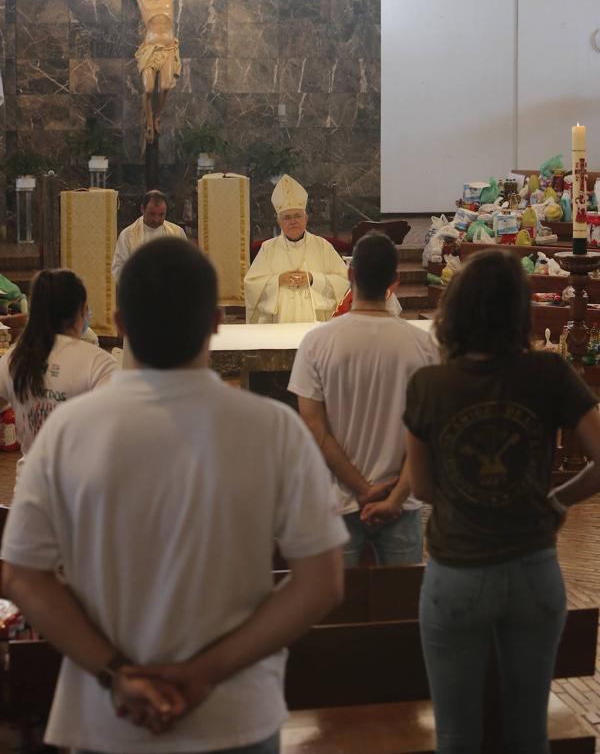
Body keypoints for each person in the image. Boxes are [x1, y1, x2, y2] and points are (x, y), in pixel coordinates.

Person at [2, 238, 347, 753]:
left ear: (117, 323)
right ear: (214, 322)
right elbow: (321, 583)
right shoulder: (273, 428)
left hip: (110, 718)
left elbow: (22, 577)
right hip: (234, 714)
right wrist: (206, 673)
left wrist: (118, 672)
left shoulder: (68, 430)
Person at [403, 247, 600, 753]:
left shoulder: (429, 384)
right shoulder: (548, 374)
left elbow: (422, 489)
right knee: (527, 734)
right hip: (532, 568)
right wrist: (557, 501)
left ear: (456, 310)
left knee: (457, 735)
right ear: (521, 311)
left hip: (457, 570)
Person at [289, 232, 437, 566]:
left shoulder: (316, 342)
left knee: (341, 609)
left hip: (338, 500)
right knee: (399, 608)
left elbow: (314, 427)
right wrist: (393, 497)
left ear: (350, 275)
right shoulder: (423, 345)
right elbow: (428, 433)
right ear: (395, 282)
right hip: (401, 500)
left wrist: (361, 488)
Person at [87, 0, 218, 142]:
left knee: (165, 87)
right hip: (149, 48)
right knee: (148, 89)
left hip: (168, 48)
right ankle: (149, 123)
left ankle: (157, 116)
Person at [0, 269, 116, 473]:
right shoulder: (98, 363)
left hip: (28, 490)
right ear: (81, 310)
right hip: (79, 492)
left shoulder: (13, 358)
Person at [244, 175, 348, 323]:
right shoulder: (268, 248)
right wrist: (278, 280)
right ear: (279, 222)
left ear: (306, 219)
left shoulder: (322, 246)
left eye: (297, 216)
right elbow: (252, 285)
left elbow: (344, 281)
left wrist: (313, 279)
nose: (293, 221)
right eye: (287, 217)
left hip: (318, 319)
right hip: (279, 319)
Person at [112, 189, 186, 283]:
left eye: (161, 214)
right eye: (152, 214)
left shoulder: (177, 233)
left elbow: (186, 265)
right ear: (142, 209)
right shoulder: (127, 235)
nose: (156, 219)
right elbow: (118, 268)